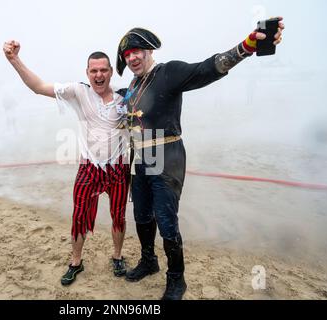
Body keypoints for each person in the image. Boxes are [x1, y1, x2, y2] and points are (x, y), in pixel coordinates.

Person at [116, 19, 285, 300]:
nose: (131, 57)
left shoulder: (168, 72)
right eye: (126, 55)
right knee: (142, 216)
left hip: (165, 153)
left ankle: (176, 279)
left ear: (149, 51)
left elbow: (208, 68)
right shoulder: (132, 86)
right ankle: (149, 261)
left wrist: (247, 46)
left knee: (166, 220)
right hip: (139, 158)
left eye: (136, 51)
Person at [3, 41, 130, 286]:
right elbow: (38, 87)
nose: (99, 75)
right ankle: (75, 261)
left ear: (111, 72)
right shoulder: (78, 92)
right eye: (94, 71)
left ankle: (117, 256)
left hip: (118, 168)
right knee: (80, 216)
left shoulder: (123, 99)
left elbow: (143, 117)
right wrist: (14, 60)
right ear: (87, 73)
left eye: (103, 70)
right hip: (89, 169)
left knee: (119, 216)